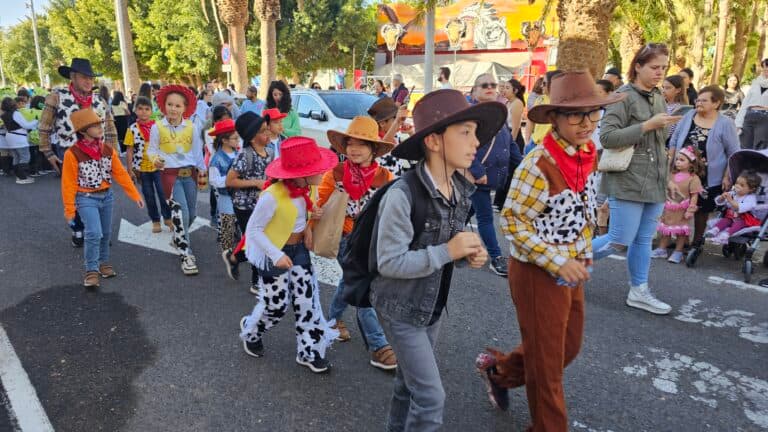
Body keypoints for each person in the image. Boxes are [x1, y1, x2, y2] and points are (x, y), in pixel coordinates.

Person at [477, 71, 623, 431]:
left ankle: (501, 372)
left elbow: (580, 212)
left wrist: (581, 253)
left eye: (593, 113)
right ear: (555, 118)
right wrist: (557, 260)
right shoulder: (538, 163)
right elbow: (511, 223)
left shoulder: (588, 152)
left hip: (570, 268)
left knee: (565, 349)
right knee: (547, 366)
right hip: (537, 272)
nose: (586, 123)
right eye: (575, 114)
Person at [370, 89, 500, 431]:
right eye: (465, 132)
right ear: (434, 141)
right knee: (430, 399)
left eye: (475, 132)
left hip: (431, 307)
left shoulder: (459, 189)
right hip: (399, 309)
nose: (476, 142)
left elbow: (447, 249)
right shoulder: (402, 195)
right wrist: (449, 251)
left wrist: (466, 254)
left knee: (406, 385)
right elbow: (390, 263)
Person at [238, 136, 340, 373]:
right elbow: (253, 230)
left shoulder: (308, 187)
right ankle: (251, 331)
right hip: (274, 252)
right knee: (276, 305)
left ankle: (309, 351)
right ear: (300, 174)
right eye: (316, 169)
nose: (322, 172)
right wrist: (276, 255)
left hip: (299, 252)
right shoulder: (272, 196)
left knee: (307, 302)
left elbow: (297, 214)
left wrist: (306, 228)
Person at [592, 43, 680, 315]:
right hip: (627, 178)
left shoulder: (658, 97)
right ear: (638, 66)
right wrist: (646, 126)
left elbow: (659, 145)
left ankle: (638, 290)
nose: (660, 73)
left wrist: (667, 178)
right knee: (618, 238)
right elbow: (607, 137)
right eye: (655, 67)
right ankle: (561, 263)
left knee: (642, 239)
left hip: (653, 179)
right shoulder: (622, 96)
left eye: (663, 68)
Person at [318, 116, 398, 370]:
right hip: (345, 238)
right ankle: (378, 345)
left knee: (350, 281)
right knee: (363, 286)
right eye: (350, 143)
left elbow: (395, 212)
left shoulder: (386, 177)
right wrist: (314, 212)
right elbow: (319, 200)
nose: (354, 149)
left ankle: (332, 320)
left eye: (362, 144)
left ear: (373, 149)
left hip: (374, 241)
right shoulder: (336, 174)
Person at [38, 58, 117, 248]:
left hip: (98, 157)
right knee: (74, 195)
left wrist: (112, 155)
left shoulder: (99, 101)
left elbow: (110, 129)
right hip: (70, 155)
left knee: (99, 193)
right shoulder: (57, 97)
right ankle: (78, 229)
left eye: (90, 78)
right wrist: (48, 153)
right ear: (73, 77)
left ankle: (96, 232)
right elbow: (44, 128)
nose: (88, 81)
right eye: (83, 77)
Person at [61, 108, 144, 288]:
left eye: (100, 124)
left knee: (105, 233)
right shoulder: (72, 154)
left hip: (107, 196)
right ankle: (91, 269)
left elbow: (120, 174)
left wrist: (134, 194)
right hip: (86, 197)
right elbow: (68, 183)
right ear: (83, 131)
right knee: (94, 232)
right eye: (94, 125)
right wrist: (69, 209)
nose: (100, 128)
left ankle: (103, 262)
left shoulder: (107, 150)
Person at [670, 85, 741, 252]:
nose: (698, 103)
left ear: (716, 104)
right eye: (698, 99)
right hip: (682, 171)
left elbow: (733, 153)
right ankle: (682, 239)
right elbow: (674, 141)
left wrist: (727, 176)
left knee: (701, 209)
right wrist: (670, 164)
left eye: (704, 100)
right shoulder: (689, 115)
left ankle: (697, 242)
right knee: (679, 204)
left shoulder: (726, 123)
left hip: (709, 174)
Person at [466, 74, 523, 277]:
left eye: (493, 84)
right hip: (478, 178)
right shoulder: (468, 115)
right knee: (485, 217)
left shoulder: (499, 112)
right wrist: (477, 171)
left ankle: (446, 237)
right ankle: (496, 257)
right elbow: (461, 145)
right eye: (484, 85)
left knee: (466, 212)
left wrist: (525, 166)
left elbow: (510, 143)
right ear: (474, 90)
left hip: (494, 177)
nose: (490, 87)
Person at [147, 85, 206, 276]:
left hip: (189, 175)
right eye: (169, 104)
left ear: (184, 108)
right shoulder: (157, 128)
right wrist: (155, 160)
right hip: (169, 176)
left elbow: (198, 151)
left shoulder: (192, 126)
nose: (173, 108)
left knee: (193, 214)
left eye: (177, 105)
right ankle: (185, 254)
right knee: (181, 214)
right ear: (164, 106)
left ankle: (178, 237)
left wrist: (203, 171)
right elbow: (152, 149)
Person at [223, 112, 274, 293]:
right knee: (255, 241)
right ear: (252, 138)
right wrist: (255, 182)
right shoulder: (245, 155)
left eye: (267, 129)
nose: (268, 133)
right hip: (245, 206)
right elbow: (229, 181)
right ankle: (256, 281)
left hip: (263, 204)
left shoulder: (270, 152)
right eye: (263, 131)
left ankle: (234, 257)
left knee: (261, 239)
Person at [125, 96, 172, 234]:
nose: (144, 112)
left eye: (147, 109)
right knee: (149, 195)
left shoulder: (158, 126)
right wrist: (129, 169)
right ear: (135, 110)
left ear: (151, 111)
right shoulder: (132, 129)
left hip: (159, 167)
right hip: (141, 169)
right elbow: (129, 150)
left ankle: (168, 218)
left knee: (163, 193)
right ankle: (155, 220)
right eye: (140, 109)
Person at [651, 146, 703, 263]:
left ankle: (678, 252)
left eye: (682, 160)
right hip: (669, 208)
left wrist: (691, 209)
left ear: (691, 164)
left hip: (682, 210)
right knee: (666, 229)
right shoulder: (672, 175)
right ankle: (662, 249)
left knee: (681, 232)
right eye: (677, 159)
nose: (678, 162)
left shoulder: (693, 179)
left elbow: (694, 195)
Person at [208, 119, 240, 255]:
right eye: (235, 138)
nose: (238, 140)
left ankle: (238, 249)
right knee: (227, 223)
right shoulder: (216, 159)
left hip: (239, 195)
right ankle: (228, 252)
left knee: (239, 221)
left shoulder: (238, 153)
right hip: (226, 196)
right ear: (225, 140)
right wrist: (231, 179)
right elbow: (214, 180)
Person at [705, 170, 763, 245]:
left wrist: (730, 200)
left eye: (742, 185)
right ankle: (715, 230)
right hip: (731, 217)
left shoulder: (751, 198)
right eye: (736, 183)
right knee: (725, 220)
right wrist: (722, 198)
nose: (737, 186)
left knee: (738, 223)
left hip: (744, 219)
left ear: (751, 189)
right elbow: (719, 202)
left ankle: (726, 235)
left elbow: (740, 208)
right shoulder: (734, 193)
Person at [493, 79, 526, 210]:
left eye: (507, 88)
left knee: (511, 172)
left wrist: (508, 145)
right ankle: (500, 202)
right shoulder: (508, 103)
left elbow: (516, 128)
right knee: (505, 171)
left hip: (513, 140)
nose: (504, 90)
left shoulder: (517, 104)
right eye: (504, 87)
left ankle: (502, 203)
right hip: (506, 138)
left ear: (515, 90)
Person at [367, 97, 410, 177]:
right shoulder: (373, 140)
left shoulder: (396, 136)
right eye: (394, 118)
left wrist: (410, 132)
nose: (399, 122)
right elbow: (384, 145)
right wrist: (397, 122)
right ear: (382, 123)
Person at [524, 70, 563, 153]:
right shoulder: (540, 99)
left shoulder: (563, 103)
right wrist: (527, 140)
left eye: (544, 83)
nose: (541, 86)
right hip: (533, 143)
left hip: (550, 148)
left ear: (553, 84)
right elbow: (531, 119)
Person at [1, 97, 38, 184]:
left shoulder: (4, 115)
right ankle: (22, 177)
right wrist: (35, 121)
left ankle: (19, 176)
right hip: (19, 138)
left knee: (16, 157)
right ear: (12, 104)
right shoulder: (16, 113)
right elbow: (26, 125)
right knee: (25, 157)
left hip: (10, 137)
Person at [735, 59, 768, 150]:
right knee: (744, 147)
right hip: (749, 116)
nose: (766, 69)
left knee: (760, 148)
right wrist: (738, 123)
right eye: (764, 67)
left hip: (765, 118)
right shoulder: (755, 83)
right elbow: (745, 103)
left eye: (767, 66)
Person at [662, 75, 688, 142]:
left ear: (678, 90)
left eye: (667, 88)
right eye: (663, 87)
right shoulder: (663, 104)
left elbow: (669, 132)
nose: (663, 91)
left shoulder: (679, 109)